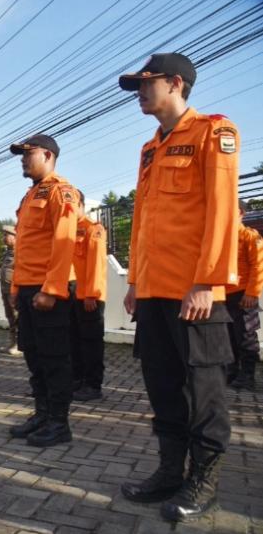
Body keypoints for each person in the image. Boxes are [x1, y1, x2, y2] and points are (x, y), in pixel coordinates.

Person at [117, 53, 240, 522]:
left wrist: (207, 281)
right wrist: (135, 280)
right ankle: (170, 472)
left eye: (146, 83)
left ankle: (204, 483)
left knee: (203, 393)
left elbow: (223, 212)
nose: (140, 92)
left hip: (195, 294)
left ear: (174, 83)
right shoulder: (149, 148)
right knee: (163, 387)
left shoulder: (213, 132)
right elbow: (144, 221)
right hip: (153, 293)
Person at [8, 134, 78, 447]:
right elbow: (24, 248)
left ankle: (59, 423)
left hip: (48, 289)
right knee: (35, 357)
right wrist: (16, 287)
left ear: (48, 156)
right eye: (22, 155)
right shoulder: (29, 196)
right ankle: (42, 414)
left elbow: (64, 243)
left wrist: (51, 289)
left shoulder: (61, 191)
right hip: (28, 288)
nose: (23, 160)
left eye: (28, 154)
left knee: (54, 359)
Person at [69, 192, 107, 401]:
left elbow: (97, 265)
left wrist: (92, 294)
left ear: (81, 205)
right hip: (74, 295)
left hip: (90, 297)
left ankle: (93, 385)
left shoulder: (93, 229)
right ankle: (78, 380)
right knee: (75, 341)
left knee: (91, 343)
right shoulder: (67, 230)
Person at [225, 200, 262, 391]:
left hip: (243, 295)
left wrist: (252, 293)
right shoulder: (221, 238)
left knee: (246, 335)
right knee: (228, 336)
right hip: (223, 296)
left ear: (240, 212)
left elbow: (258, 265)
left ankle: (248, 376)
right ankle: (232, 372)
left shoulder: (250, 236)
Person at [0, 225, 20, 356]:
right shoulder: (8, 252)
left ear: (15, 237)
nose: (4, 238)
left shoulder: (20, 252)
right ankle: (12, 343)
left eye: (6, 235)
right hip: (5, 290)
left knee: (17, 317)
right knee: (11, 317)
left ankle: (18, 344)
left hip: (14, 291)